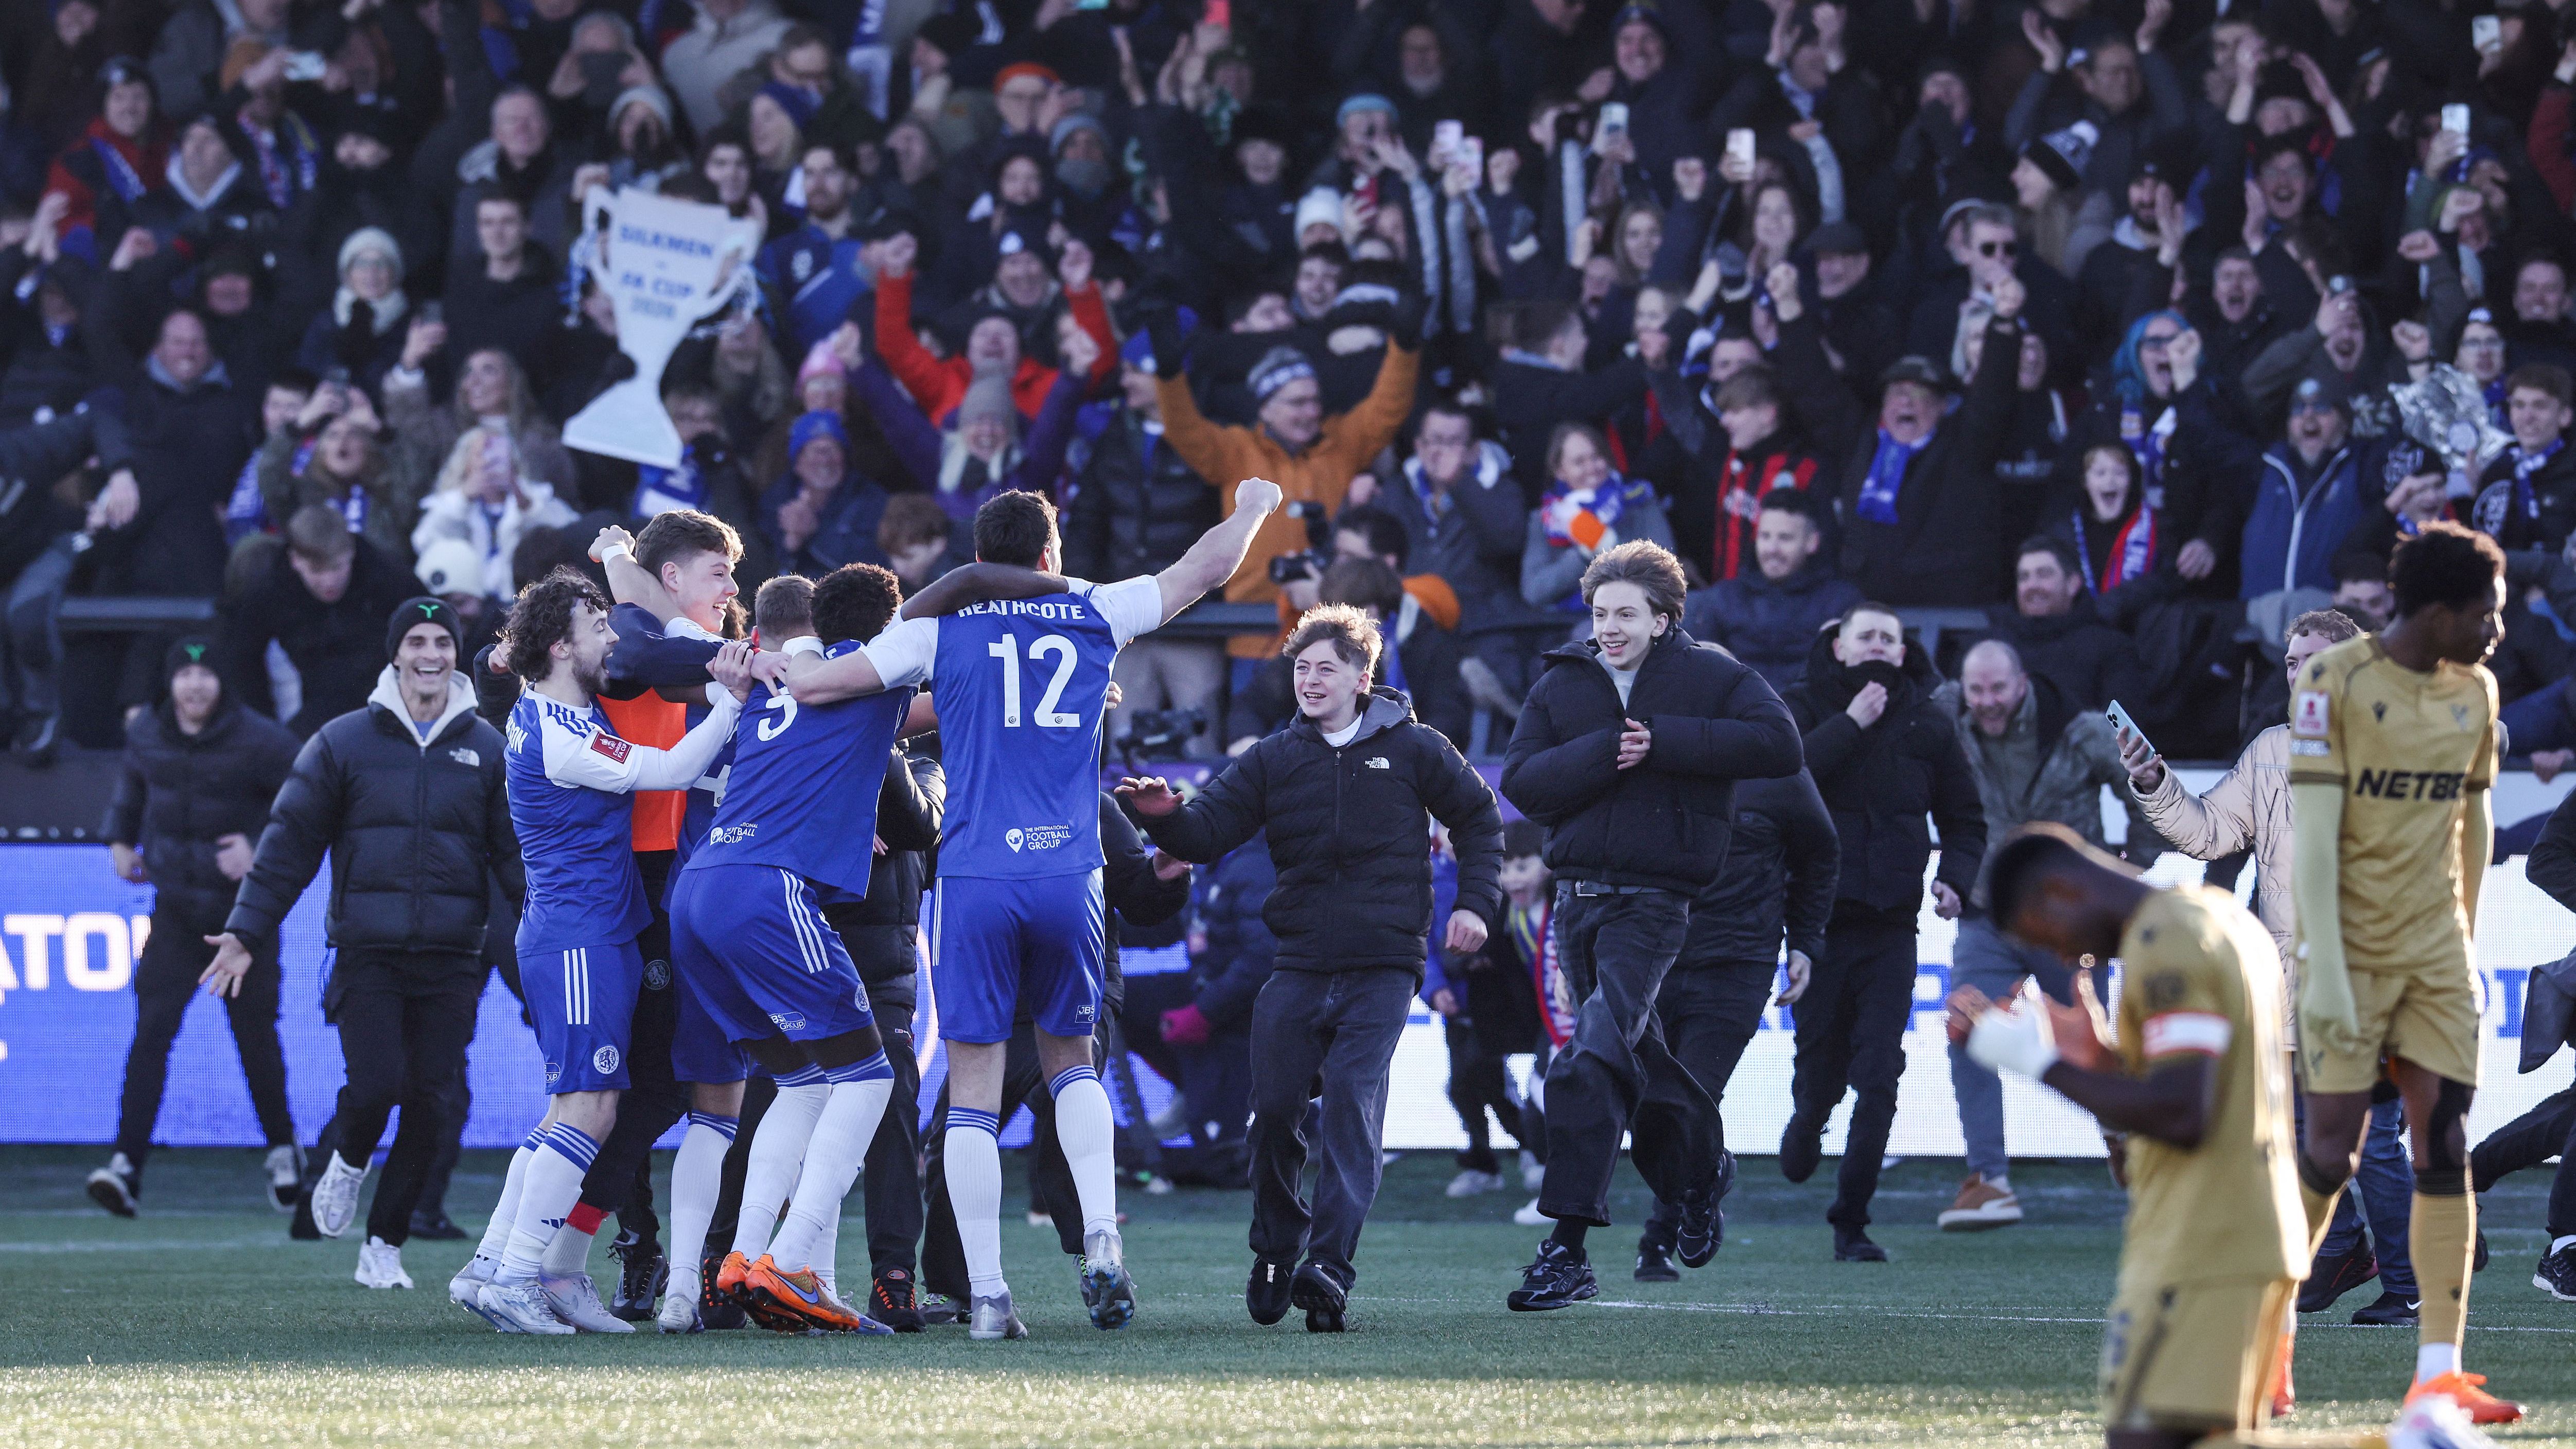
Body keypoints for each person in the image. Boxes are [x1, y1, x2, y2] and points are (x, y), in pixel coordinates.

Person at [780, 481, 1287, 1339]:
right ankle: (1101, 1240)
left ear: (980, 555)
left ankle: (988, 1295)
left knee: (973, 1094)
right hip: (1069, 870)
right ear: (1051, 554)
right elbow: (1204, 569)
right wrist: (1252, 507)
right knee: (1073, 1065)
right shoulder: (1095, 608)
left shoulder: (938, 628)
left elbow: (825, 689)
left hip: (977, 875)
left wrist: (790, 655)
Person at [1123, 602, 1503, 1332]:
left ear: (1363, 678)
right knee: (1272, 1114)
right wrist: (1162, 815)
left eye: (1326, 667)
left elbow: (1479, 818)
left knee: (1352, 1103)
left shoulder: (1417, 747)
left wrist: (1477, 904)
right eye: (1301, 667)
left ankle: (1328, 1265)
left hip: (1384, 964)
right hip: (1295, 962)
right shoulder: (1274, 756)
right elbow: (1204, 833)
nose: (1310, 679)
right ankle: (1275, 1249)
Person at [1498, 540, 1803, 1310]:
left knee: (1589, 1059)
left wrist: (1664, 741)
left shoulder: (1714, 675)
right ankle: (1703, 1173)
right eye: (1600, 613)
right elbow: (1523, 783)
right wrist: (1607, 751)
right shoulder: (1561, 680)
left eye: (1626, 614)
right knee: (1638, 1062)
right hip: (1576, 903)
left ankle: (1566, 1247)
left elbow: (1780, 743)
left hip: (1655, 904)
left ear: (1663, 619)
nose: (1609, 627)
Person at [454, 571, 748, 1335]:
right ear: (560, 646)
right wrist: (730, 701)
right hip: (579, 940)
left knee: (566, 1111)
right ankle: (520, 1277)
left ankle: (491, 1265)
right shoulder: (562, 731)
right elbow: (669, 770)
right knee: (590, 1108)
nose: (615, 639)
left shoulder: (554, 709)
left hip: (582, 931)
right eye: (599, 627)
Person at [201, 599, 519, 1291]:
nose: (430, 654)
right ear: (395, 652)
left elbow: (514, 862)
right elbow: (287, 845)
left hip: (453, 959)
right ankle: (347, 1162)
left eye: (442, 642)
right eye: (416, 641)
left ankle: (384, 1244)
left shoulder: (490, 748)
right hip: (366, 954)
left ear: (454, 654)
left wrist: (552, 937)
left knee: (433, 1103)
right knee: (377, 1086)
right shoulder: (343, 741)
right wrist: (246, 932)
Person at [2122, 608, 2425, 1329]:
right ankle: (2342, 1248)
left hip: (2367, 977)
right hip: (2287, 982)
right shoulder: (2269, 751)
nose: (2298, 673)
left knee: (2374, 1142)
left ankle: (2411, 1283)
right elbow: (2209, 833)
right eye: (2290, 662)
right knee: (2289, 1135)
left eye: (2313, 659)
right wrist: (2156, 781)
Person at [2284, 522, 2524, 1424]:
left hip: (2436, 960)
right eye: (2486, 612)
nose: (2497, 629)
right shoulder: (2333, 684)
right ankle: (2266, 1333)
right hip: (2350, 951)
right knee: (2329, 1153)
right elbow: (2314, 838)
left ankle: (2439, 1374)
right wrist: (2325, 963)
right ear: (2435, 611)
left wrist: (2466, 939)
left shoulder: (2478, 691)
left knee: (2444, 1147)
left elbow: (2474, 821)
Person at [1957, 824, 2301, 1449]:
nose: (2066, 957)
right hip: (2234, 1227)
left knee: (2142, 1439)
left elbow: (2182, 1114)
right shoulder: (2219, 917)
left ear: (2060, 891)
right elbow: (2196, 1096)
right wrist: (2103, 1066)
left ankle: (2416, 1442)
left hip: (2204, 1240)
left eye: (2047, 937)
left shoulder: (2165, 938)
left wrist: (2038, 1064)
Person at [675, 564, 916, 1335]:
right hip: (764, 889)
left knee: (802, 1083)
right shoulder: (866, 672)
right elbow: (949, 705)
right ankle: (792, 1258)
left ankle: (743, 1261)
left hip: (698, 890)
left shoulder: (765, 680)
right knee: (869, 1078)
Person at [1779, 602, 1986, 1259]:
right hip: (1817, 924)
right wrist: (1849, 724)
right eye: (1863, 635)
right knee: (1820, 1073)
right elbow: (1783, 780)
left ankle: (1851, 1222)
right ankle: (1807, 1121)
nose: (1875, 645)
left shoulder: (1928, 719)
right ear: (1838, 646)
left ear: (1902, 652)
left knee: (1879, 1073)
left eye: (1887, 638)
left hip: (1893, 926)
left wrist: (1953, 877)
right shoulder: (1801, 704)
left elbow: (1965, 818)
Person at [1932, 638, 2159, 1231]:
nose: (1986, 700)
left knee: (2096, 1047)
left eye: (1997, 688)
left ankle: (2131, 1146)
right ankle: (1989, 1181)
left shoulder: (2083, 731)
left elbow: (2149, 788)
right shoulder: (1943, 715)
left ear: (2022, 683)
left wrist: (2128, 870)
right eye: (1976, 690)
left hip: (2070, 923)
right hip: (1985, 915)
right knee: (1965, 1032)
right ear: (1961, 688)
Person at [86, 637, 300, 1218]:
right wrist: (119, 839)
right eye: (185, 673)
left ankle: (284, 1152)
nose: (196, 684)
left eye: (207, 673)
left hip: (243, 918)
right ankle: (126, 1164)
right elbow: (132, 787)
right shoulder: (148, 732)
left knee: (255, 1037)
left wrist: (257, 843)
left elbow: (303, 801)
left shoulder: (261, 738)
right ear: (171, 682)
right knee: (151, 1033)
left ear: (222, 683)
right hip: (176, 911)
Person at [1634, 765, 1836, 1280]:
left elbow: (1820, 851)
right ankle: (1706, 1178)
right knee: (1646, 1101)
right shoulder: (1648, 752)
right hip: (1652, 955)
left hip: (1737, 963)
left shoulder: (1777, 765)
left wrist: (1805, 941)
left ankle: (1658, 1237)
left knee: (1696, 1092)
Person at [1681, 488, 1860, 694]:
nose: (1772, 549)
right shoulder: (1724, 597)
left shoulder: (1841, 602)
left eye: (1785, 538)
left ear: (1812, 542)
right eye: (1765, 536)